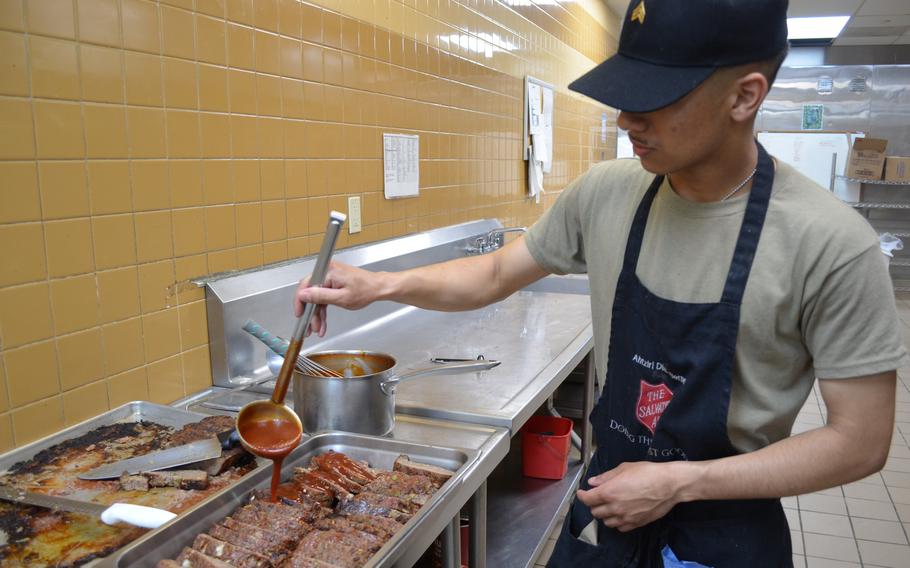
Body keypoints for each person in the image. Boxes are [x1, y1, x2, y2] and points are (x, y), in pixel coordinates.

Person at [295, 1, 907, 566]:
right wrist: (377, 284)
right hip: (608, 506)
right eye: (623, 94)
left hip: (726, 527)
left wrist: (680, 482)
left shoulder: (831, 245)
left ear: (744, 96)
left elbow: (859, 440)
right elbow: (493, 272)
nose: (626, 119)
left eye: (656, 97)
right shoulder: (608, 193)